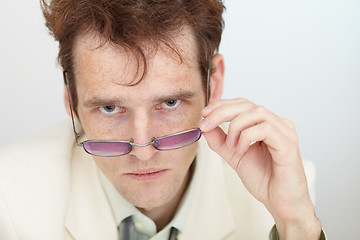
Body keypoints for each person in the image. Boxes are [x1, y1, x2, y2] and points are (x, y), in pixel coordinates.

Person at [0, 0, 325, 239]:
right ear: (71, 101)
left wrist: (297, 225)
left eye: (170, 103)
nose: (142, 151)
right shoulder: (10, 198)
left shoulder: (281, 192)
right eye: (110, 109)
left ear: (212, 85)